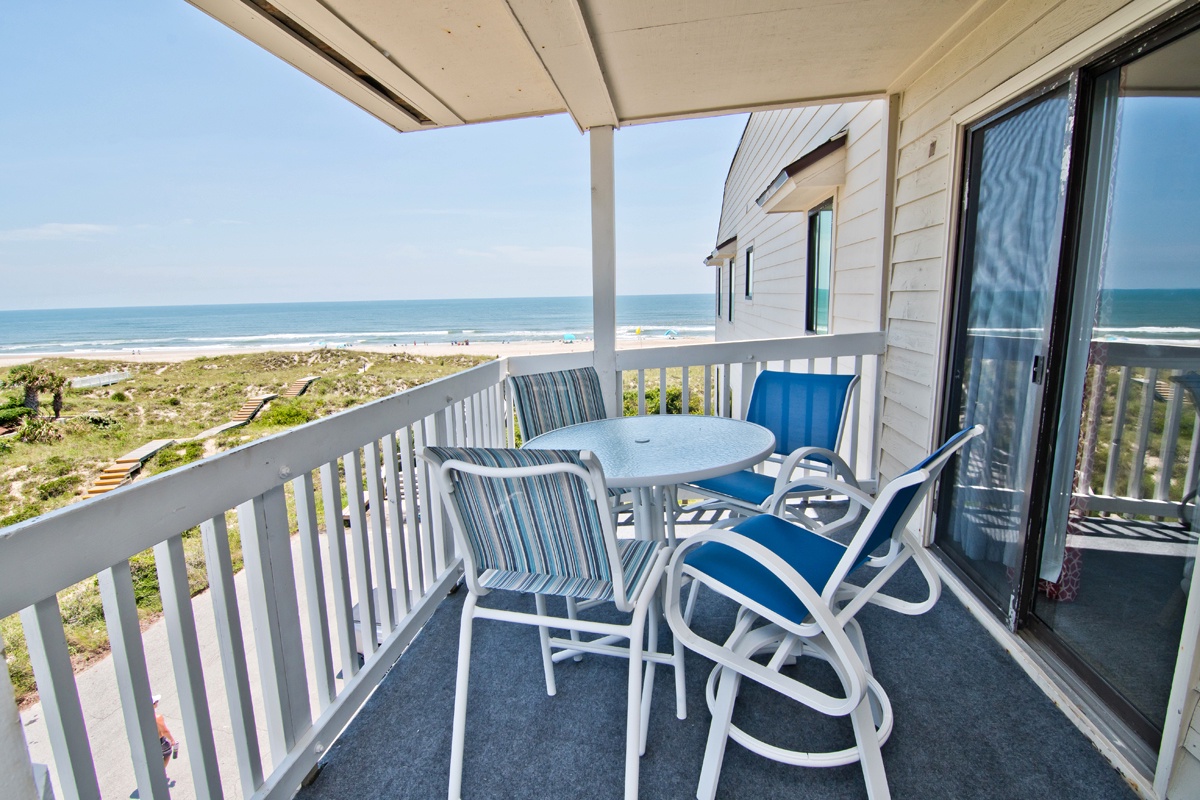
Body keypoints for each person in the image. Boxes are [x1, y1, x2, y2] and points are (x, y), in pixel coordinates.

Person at [154, 695, 178, 774]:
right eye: (156, 702)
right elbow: (164, 731)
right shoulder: (157, 717)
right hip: (160, 741)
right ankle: (159, 773)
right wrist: (172, 740)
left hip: (148, 742)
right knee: (167, 754)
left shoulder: (143, 717)